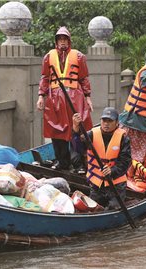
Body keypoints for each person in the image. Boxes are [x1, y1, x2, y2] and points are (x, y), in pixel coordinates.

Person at [36, 26, 93, 172]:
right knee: (56, 130)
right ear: (56, 42)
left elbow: (84, 78)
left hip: (75, 96)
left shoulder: (79, 56)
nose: (62, 42)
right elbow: (45, 78)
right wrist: (41, 96)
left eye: (64, 39)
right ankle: (62, 161)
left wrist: (88, 97)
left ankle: (79, 163)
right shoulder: (49, 57)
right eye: (60, 39)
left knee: (78, 128)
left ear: (69, 41)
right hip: (54, 98)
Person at [73, 107, 131, 210]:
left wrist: (112, 171)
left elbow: (126, 162)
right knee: (93, 208)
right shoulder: (91, 134)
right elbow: (77, 148)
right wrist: (76, 130)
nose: (106, 124)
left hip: (116, 184)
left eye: (110, 121)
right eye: (104, 120)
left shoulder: (123, 138)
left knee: (114, 208)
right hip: (97, 184)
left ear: (117, 122)